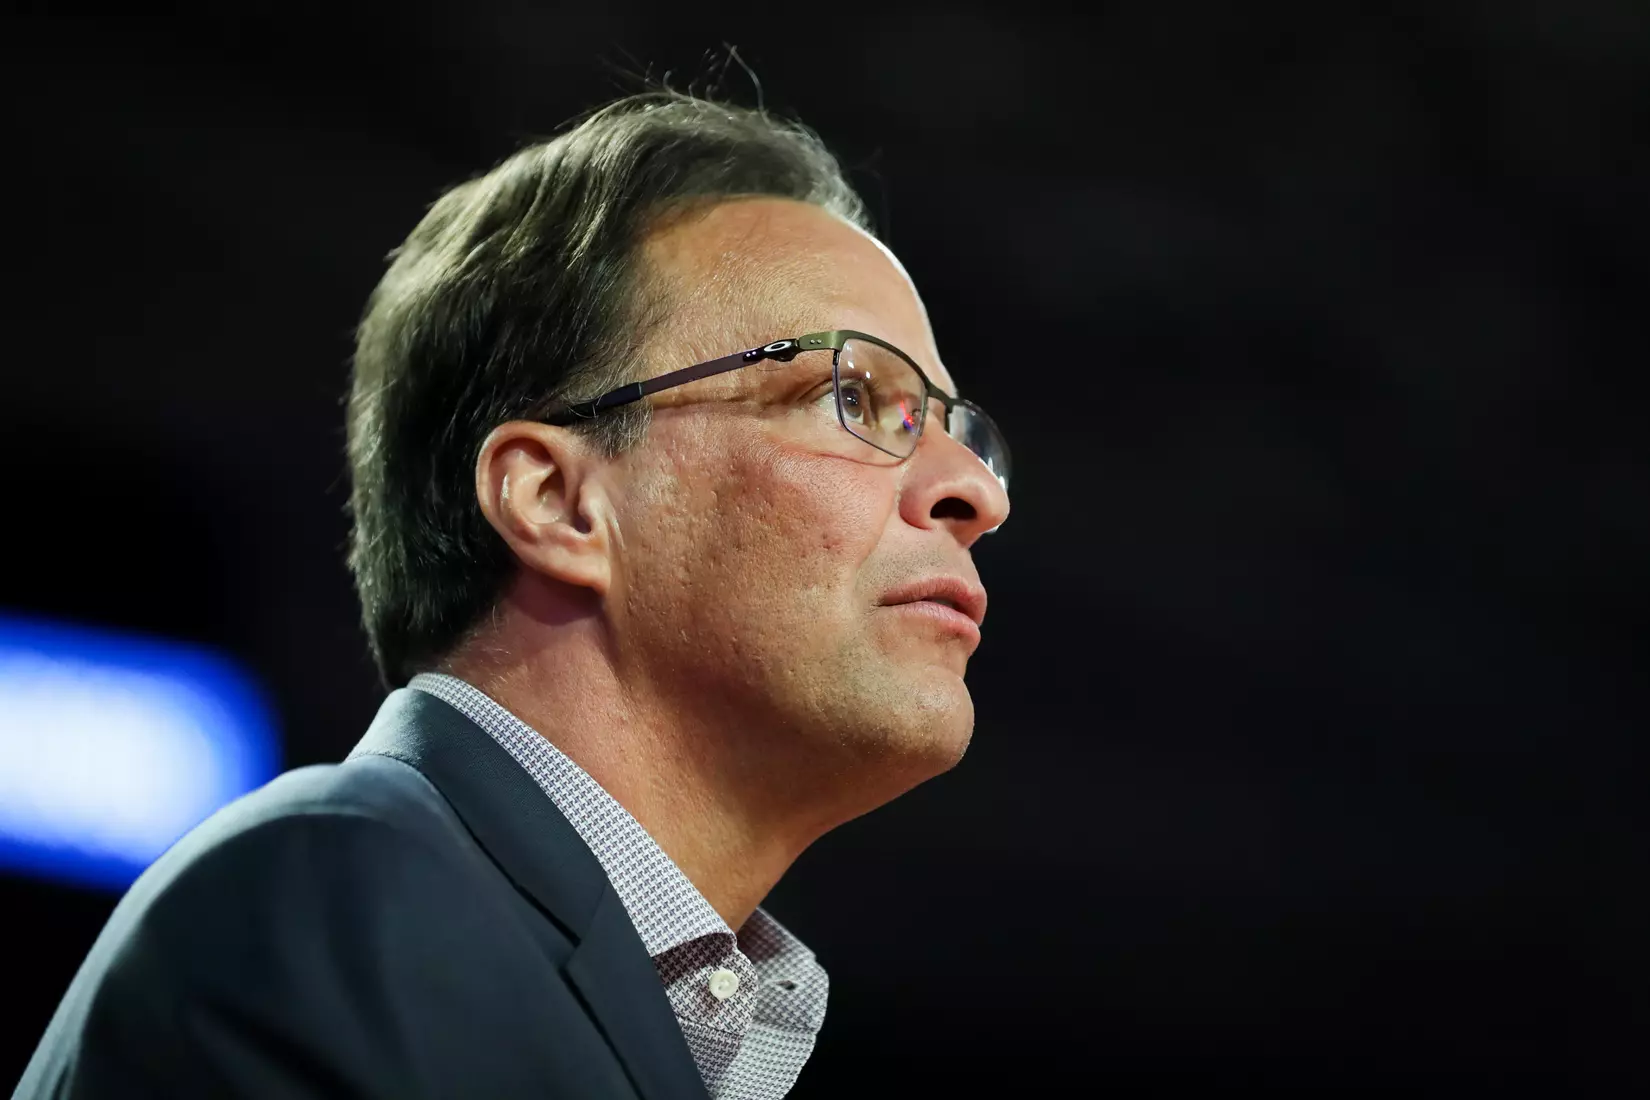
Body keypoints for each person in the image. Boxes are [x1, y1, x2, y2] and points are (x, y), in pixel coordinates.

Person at [16, 90, 1011, 1099]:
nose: (973, 491)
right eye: (852, 396)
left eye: (954, 427)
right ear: (557, 500)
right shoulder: (347, 902)